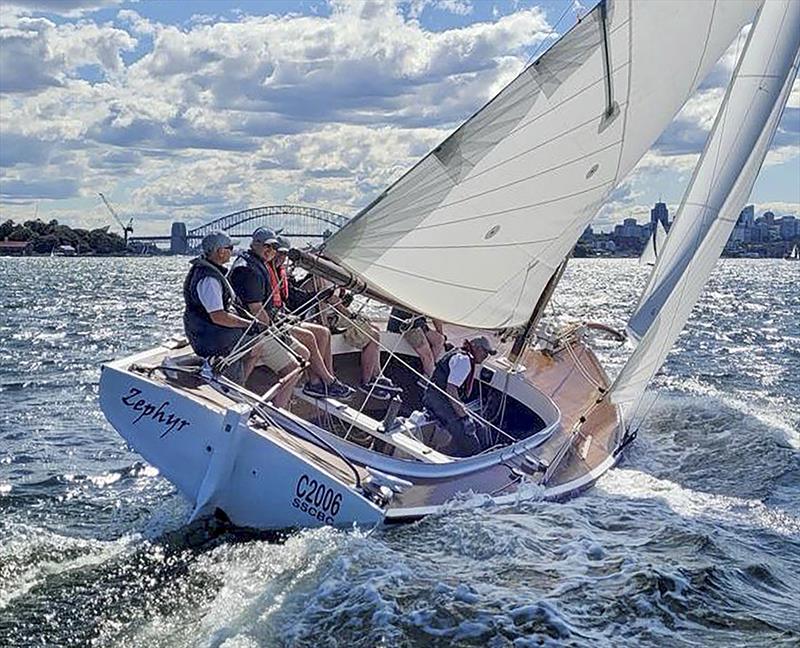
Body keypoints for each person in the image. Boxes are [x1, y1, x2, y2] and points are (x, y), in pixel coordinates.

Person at [229, 228, 352, 400]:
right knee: (308, 340)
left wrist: (316, 297)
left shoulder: (266, 268)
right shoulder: (249, 270)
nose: (276, 255)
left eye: (277, 250)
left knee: (323, 333)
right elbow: (256, 309)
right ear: (255, 244)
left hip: (277, 321)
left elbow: (288, 297)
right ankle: (320, 382)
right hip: (263, 328)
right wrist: (276, 328)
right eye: (271, 249)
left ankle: (325, 381)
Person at [182, 231, 301, 409]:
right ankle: (236, 391)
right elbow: (218, 316)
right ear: (220, 251)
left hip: (209, 334)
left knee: (258, 346)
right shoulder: (208, 279)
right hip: (214, 339)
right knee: (289, 364)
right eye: (230, 248)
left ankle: (240, 384)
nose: (232, 251)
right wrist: (249, 324)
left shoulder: (207, 272)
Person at [422, 335, 496, 457]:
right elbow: (451, 390)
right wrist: (464, 417)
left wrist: (464, 414)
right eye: (485, 352)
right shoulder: (464, 361)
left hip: (440, 398)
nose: (486, 356)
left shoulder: (460, 355)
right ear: (476, 348)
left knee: (482, 429)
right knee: (471, 441)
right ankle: (471, 459)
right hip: (438, 401)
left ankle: (481, 454)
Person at [322, 286, 399, 400]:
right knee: (373, 336)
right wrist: (350, 315)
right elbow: (333, 304)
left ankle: (377, 374)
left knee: (375, 328)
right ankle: (367, 382)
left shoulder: (333, 284)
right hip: (332, 319)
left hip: (338, 316)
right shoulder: (323, 282)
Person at [387, 307, 445, 377]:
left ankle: (428, 367)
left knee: (439, 340)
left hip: (418, 323)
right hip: (404, 324)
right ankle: (427, 378)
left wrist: (440, 333)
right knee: (427, 355)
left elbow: (436, 314)